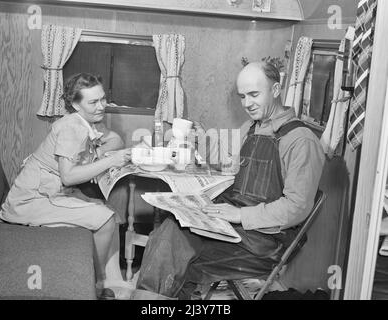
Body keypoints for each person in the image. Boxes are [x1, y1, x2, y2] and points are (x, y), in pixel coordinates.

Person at [134, 62, 325, 299]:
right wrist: (199, 143)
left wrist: (240, 215)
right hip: (232, 228)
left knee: (175, 249)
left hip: (264, 243)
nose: (247, 104)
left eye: (254, 94)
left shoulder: (300, 140)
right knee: (169, 230)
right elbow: (234, 170)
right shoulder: (251, 128)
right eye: (242, 96)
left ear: (276, 90)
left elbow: (297, 208)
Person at [0, 73, 131, 292]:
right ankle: (94, 283)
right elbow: (68, 176)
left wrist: (101, 153)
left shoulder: (83, 121)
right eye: (93, 102)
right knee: (106, 219)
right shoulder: (72, 127)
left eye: (103, 99)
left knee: (104, 209)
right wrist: (112, 160)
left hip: (48, 192)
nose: (101, 106)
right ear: (76, 105)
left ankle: (103, 276)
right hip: (31, 198)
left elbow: (113, 139)